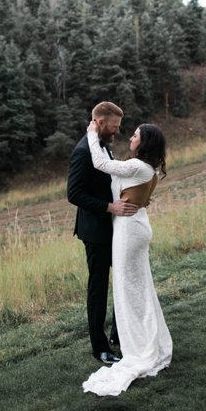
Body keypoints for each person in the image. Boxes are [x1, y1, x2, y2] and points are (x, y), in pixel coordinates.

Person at [82, 119, 173, 396]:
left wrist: (91, 135)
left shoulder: (136, 166)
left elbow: (101, 164)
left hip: (128, 230)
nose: (130, 138)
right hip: (137, 226)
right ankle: (144, 338)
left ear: (144, 143)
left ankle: (137, 346)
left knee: (126, 288)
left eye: (135, 135)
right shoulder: (151, 170)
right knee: (139, 287)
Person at [67, 101, 138, 364]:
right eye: (114, 127)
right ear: (99, 123)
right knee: (98, 288)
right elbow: (73, 194)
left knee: (121, 279)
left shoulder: (102, 146)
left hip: (113, 228)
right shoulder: (83, 151)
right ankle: (100, 348)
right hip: (95, 232)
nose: (117, 132)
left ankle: (120, 337)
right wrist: (109, 206)